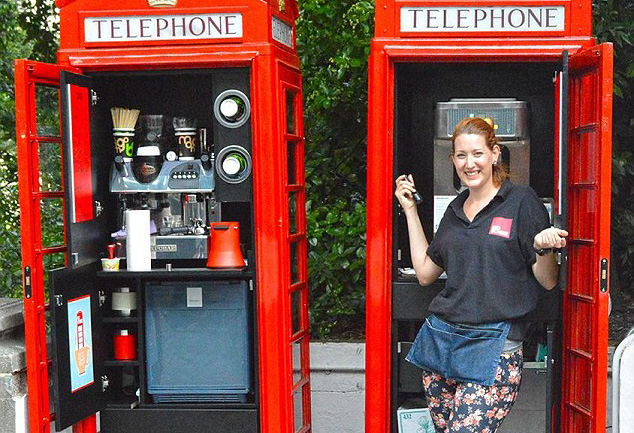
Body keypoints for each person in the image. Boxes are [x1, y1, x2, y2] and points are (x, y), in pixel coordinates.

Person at [394, 117, 567, 433]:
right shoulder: (456, 210)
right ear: (453, 160)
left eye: (477, 154)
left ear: (495, 154)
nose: (469, 163)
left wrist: (544, 249)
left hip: (495, 347)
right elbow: (424, 273)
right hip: (442, 344)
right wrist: (409, 211)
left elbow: (548, 281)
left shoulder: (521, 202)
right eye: (461, 155)